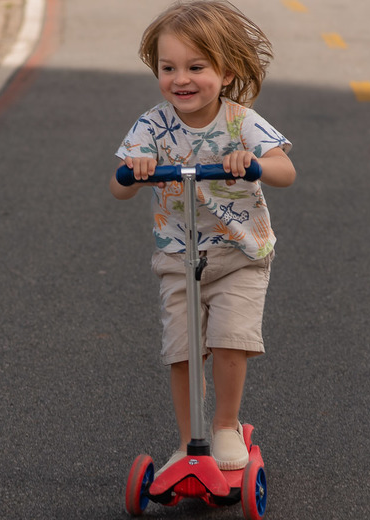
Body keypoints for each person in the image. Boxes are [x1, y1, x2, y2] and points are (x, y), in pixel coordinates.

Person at [110, 0, 295, 474]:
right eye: (168, 67)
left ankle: (225, 427)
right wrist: (135, 170)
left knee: (230, 340)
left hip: (239, 254)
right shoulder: (153, 126)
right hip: (178, 257)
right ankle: (190, 441)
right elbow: (117, 187)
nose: (181, 79)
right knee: (184, 350)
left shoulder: (240, 122)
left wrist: (253, 163)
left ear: (227, 72)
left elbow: (285, 171)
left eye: (196, 67)